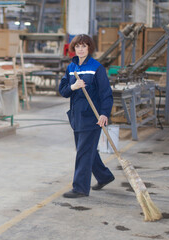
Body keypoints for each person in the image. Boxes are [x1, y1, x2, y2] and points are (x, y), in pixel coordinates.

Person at [59, 34, 115, 198]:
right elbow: (63, 91)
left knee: (83, 151)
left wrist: (104, 113)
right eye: (78, 46)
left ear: (89, 48)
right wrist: (74, 86)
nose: (81, 49)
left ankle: (80, 188)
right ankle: (104, 176)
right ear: (74, 49)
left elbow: (106, 93)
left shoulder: (96, 67)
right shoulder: (71, 68)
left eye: (84, 46)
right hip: (77, 116)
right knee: (86, 150)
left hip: (93, 116)